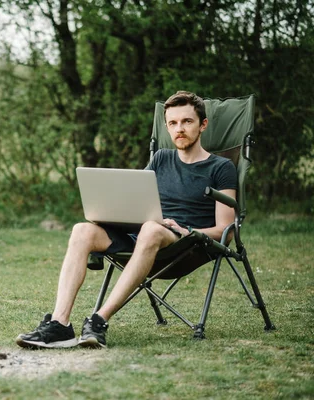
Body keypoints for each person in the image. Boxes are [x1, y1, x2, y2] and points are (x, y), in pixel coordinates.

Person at [16, 91, 238, 349]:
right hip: (142, 234)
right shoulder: (161, 158)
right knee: (82, 230)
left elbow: (225, 230)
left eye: (187, 122)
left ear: (203, 125)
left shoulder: (221, 168)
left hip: (184, 243)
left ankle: (99, 320)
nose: (179, 129)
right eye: (173, 123)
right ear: (166, 126)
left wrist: (185, 230)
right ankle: (59, 324)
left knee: (152, 229)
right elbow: (136, 198)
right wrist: (111, 213)